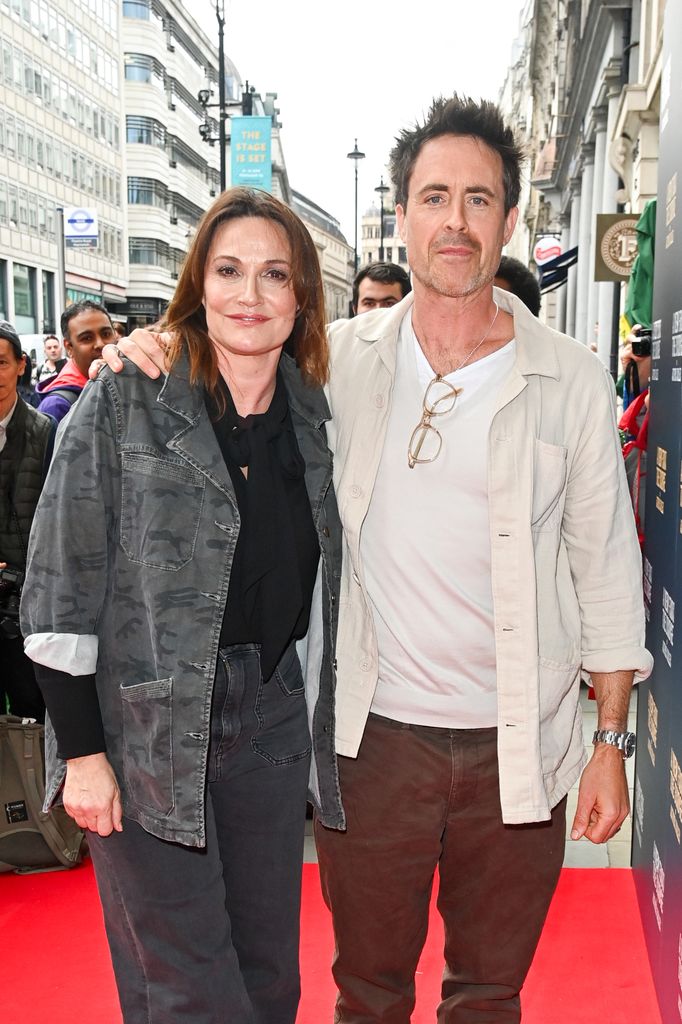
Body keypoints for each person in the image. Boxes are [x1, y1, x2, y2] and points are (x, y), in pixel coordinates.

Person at [99, 95, 651, 1023]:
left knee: (489, 994)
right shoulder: (336, 361)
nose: (456, 221)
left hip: (523, 744)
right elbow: (230, 353)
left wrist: (608, 747)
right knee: (368, 993)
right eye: (435, 197)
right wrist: (157, 342)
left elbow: (605, 570)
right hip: (371, 742)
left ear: (509, 218)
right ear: (402, 215)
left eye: (479, 200)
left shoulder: (572, 381)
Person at [21, 188, 343, 1024]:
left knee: (269, 978)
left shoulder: (314, 415)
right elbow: (59, 583)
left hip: (269, 719)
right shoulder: (125, 398)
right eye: (228, 270)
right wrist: (82, 755)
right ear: (198, 283)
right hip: (146, 726)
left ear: (301, 294)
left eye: (274, 275)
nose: (250, 294)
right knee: (191, 987)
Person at [0, 320, 53, 721]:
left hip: (25, 601)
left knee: (30, 709)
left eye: (1, 363)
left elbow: (53, 520)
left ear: (20, 365)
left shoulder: (44, 430)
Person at [35, 301, 116, 423]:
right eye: (87, 338)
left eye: (106, 334)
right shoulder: (56, 406)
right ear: (69, 347)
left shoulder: (126, 384)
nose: (100, 344)